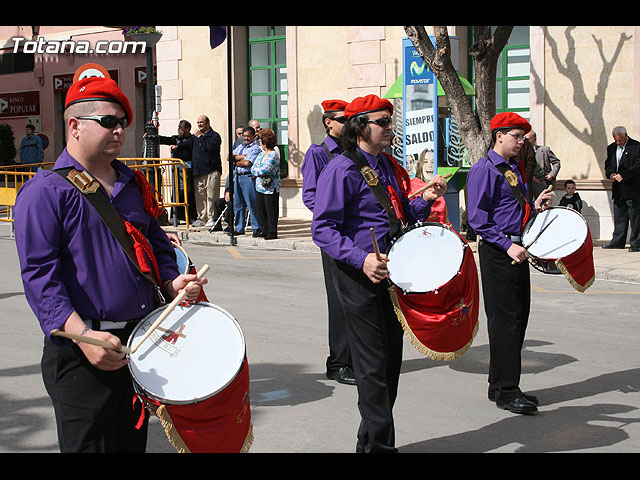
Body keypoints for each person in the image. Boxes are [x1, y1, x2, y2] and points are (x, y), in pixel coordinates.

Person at [13, 76, 207, 453]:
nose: (119, 130)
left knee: (130, 445)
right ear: (75, 125)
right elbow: (40, 278)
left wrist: (170, 284)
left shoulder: (133, 183)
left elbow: (155, 243)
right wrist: (82, 337)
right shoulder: (45, 191)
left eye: (122, 123)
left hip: (138, 344)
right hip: (81, 350)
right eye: (108, 121)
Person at [311, 94, 447, 452]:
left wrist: (425, 199)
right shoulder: (339, 169)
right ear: (360, 127)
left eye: (391, 121)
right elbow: (323, 229)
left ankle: (369, 444)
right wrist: (361, 260)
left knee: (389, 366)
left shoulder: (385, 164)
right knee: (371, 369)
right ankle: (382, 447)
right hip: (360, 277)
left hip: (392, 273)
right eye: (383, 122)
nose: (390, 128)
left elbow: (398, 214)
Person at [467, 112, 552, 415]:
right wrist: (507, 245)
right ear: (499, 135)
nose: (521, 141)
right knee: (507, 322)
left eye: (523, 136)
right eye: (516, 135)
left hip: (516, 247)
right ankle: (507, 391)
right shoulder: (484, 170)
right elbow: (478, 219)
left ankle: (499, 383)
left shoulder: (511, 168)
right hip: (500, 251)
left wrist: (536, 205)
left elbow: (512, 209)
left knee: (517, 318)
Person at [301, 100, 355, 385]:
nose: (348, 125)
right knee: (339, 301)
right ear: (328, 122)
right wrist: (334, 216)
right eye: (343, 120)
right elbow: (310, 195)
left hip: (356, 237)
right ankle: (338, 363)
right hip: (334, 234)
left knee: (357, 299)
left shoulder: (353, 153)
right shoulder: (319, 153)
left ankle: (356, 358)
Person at [172, 115, 222, 227]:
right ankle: (202, 217)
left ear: (208, 123)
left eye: (202, 122)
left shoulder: (214, 136)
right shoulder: (195, 137)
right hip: (198, 172)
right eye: (198, 122)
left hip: (211, 171)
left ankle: (211, 218)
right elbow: (188, 144)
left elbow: (209, 148)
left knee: (211, 196)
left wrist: (200, 138)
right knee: (200, 197)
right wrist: (177, 146)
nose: (199, 125)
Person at [603, 126, 640, 252]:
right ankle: (618, 242)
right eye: (616, 140)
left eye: (621, 141)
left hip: (632, 188)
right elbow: (608, 164)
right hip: (618, 189)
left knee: (635, 217)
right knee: (619, 216)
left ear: (626, 136)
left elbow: (637, 165)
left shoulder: (636, 146)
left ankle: (636, 243)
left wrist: (624, 175)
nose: (618, 143)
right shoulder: (611, 148)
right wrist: (611, 174)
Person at [158, 119, 196, 223]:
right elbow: (165, 139)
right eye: (178, 127)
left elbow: (188, 144)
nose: (179, 130)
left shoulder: (193, 139)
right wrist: (152, 136)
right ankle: (175, 216)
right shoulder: (176, 139)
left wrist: (177, 147)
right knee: (176, 193)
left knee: (189, 195)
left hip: (189, 172)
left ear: (187, 129)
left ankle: (191, 217)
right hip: (177, 173)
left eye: (181, 128)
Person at [231, 126, 262, 236]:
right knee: (238, 204)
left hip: (248, 177)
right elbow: (229, 157)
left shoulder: (255, 148)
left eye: (248, 136)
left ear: (254, 136)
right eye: (244, 136)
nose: (246, 138)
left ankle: (256, 228)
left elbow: (247, 163)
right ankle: (239, 228)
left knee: (251, 203)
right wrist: (240, 157)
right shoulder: (240, 147)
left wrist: (235, 160)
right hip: (238, 176)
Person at [251, 128, 280, 239]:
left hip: (270, 187)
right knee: (261, 209)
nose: (259, 142)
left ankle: (272, 231)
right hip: (259, 186)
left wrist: (256, 171)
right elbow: (253, 167)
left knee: (270, 210)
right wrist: (256, 171)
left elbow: (265, 170)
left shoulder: (273, 154)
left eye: (260, 140)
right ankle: (264, 229)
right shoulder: (261, 154)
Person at [525, 130, 561, 200]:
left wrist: (552, 175)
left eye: (528, 139)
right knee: (527, 204)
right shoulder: (521, 152)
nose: (526, 141)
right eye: (524, 139)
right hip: (528, 182)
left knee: (543, 204)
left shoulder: (544, 150)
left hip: (542, 182)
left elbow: (556, 162)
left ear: (534, 139)